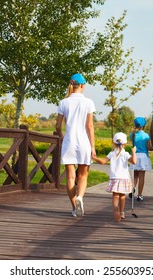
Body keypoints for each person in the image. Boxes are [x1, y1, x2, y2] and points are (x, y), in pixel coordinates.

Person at [56, 73, 96, 217]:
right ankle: (80, 197)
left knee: (70, 178)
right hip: (84, 142)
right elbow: (90, 125)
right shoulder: (88, 102)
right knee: (83, 176)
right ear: (83, 86)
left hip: (69, 142)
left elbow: (58, 126)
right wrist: (93, 147)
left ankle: (74, 208)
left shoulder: (63, 102)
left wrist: (62, 137)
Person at [92, 132, 136, 222]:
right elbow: (134, 162)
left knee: (115, 195)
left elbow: (103, 162)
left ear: (114, 143)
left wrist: (94, 158)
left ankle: (115, 209)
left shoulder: (111, 153)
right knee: (122, 196)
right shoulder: (126, 154)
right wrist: (134, 152)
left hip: (115, 178)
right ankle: (122, 212)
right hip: (124, 178)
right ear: (125, 143)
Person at [129, 117, 153, 201]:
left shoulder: (132, 135)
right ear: (144, 125)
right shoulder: (146, 135)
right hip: (143, 156)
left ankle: (133, 188)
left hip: (135, 155)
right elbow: (149, 147)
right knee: (141, 176)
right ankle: (140, 195)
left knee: (135, 175)